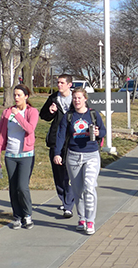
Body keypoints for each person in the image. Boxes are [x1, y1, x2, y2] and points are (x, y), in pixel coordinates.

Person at [53, 88, 105, 235]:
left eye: (79, 98)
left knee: (89, 187)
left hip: (91, 155)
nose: (77, 100)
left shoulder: (93, 114)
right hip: (73, 156)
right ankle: (81, 218)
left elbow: (103, 131)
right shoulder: (68, 116)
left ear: (85, 99)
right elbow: (61, 136)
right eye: (74, 98)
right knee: (77, 190)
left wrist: (98, 133)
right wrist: (57, 153)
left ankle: (90, 220)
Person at [0, 84, 39, 229]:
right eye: (15, 95)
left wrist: (18, 115)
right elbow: (1, 135)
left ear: (26, 96)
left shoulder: (32, 112)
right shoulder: (7, 113)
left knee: (22, 186)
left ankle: (27, 215)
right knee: (13, 187)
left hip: (26, 154)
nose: (16, 98)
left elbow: (30, 129)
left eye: (19, 95)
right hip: (10, 154)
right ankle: (17, 217)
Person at [39, 74, 76, 218]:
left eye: (62, 83)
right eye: (58, 83)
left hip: (72, 140)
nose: (59, 85)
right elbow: (43, 115)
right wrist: (51, 111)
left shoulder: (76, 98)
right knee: (58, 173)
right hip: (56, 139)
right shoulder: (54, 98)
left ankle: (68, 204)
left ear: (69, 85)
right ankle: (63, 197)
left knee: (68, 173)